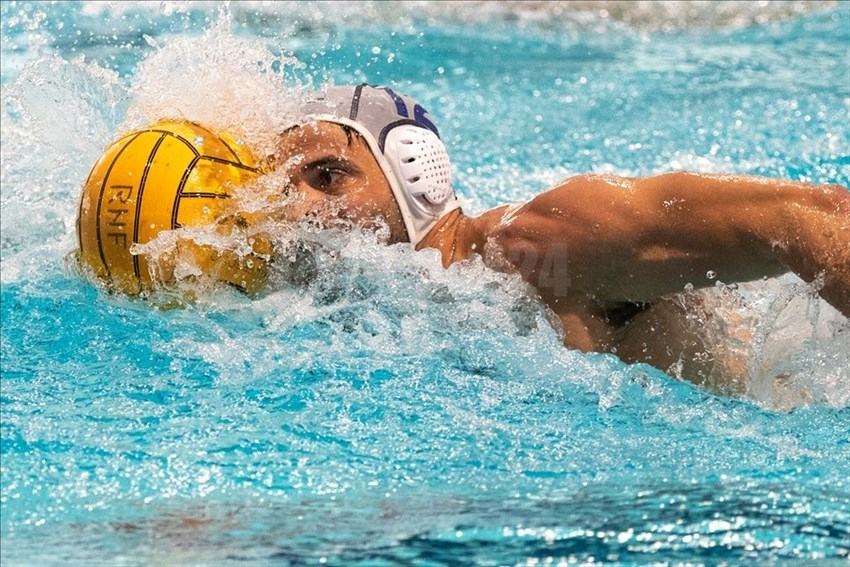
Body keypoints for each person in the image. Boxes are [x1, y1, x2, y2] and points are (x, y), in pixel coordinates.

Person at [271, 85, 849, 386]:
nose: (297, 209)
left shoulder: (544, 242)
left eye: (328, 177)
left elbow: (805, 219)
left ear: (415, 174)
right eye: (280, 187)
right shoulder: (338, 312)